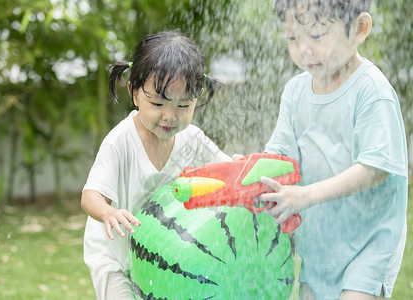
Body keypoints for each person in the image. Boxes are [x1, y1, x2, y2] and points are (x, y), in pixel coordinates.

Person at [259, 1, 408, 299]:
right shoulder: (295, 91)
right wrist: (250, 168)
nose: (304, 49)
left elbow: (374, 169)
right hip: (320, 246)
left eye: (316, 36)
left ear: (359, 29)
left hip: (369, 244)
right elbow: (279, 156)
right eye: (292, 37)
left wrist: (305, 195)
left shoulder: (371, 91)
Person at [81, 30, 231, 300]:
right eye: (158, 103)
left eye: (183, 105)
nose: (170, 116)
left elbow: (227, 171)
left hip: (165, 253)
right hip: (116, 256)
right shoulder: (120, 142)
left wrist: (245, 168)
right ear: (134, 92)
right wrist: (107, 213)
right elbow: (90, 195)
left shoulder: (192, 140)